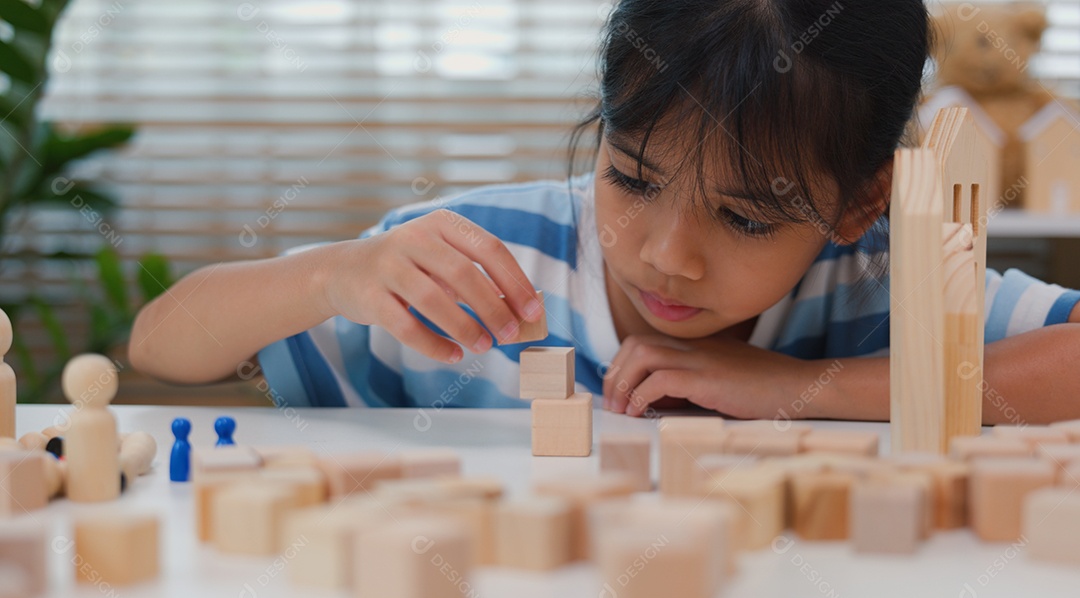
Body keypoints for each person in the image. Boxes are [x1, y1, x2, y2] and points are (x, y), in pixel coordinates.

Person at [130, 0, 1080, 424]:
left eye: (746, 219)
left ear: (858, 203)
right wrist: (331, 273)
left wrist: (799, 388)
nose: (669, 255)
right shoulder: (488, 259)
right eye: (631, 178)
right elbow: (161, 344)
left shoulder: (888, 281)